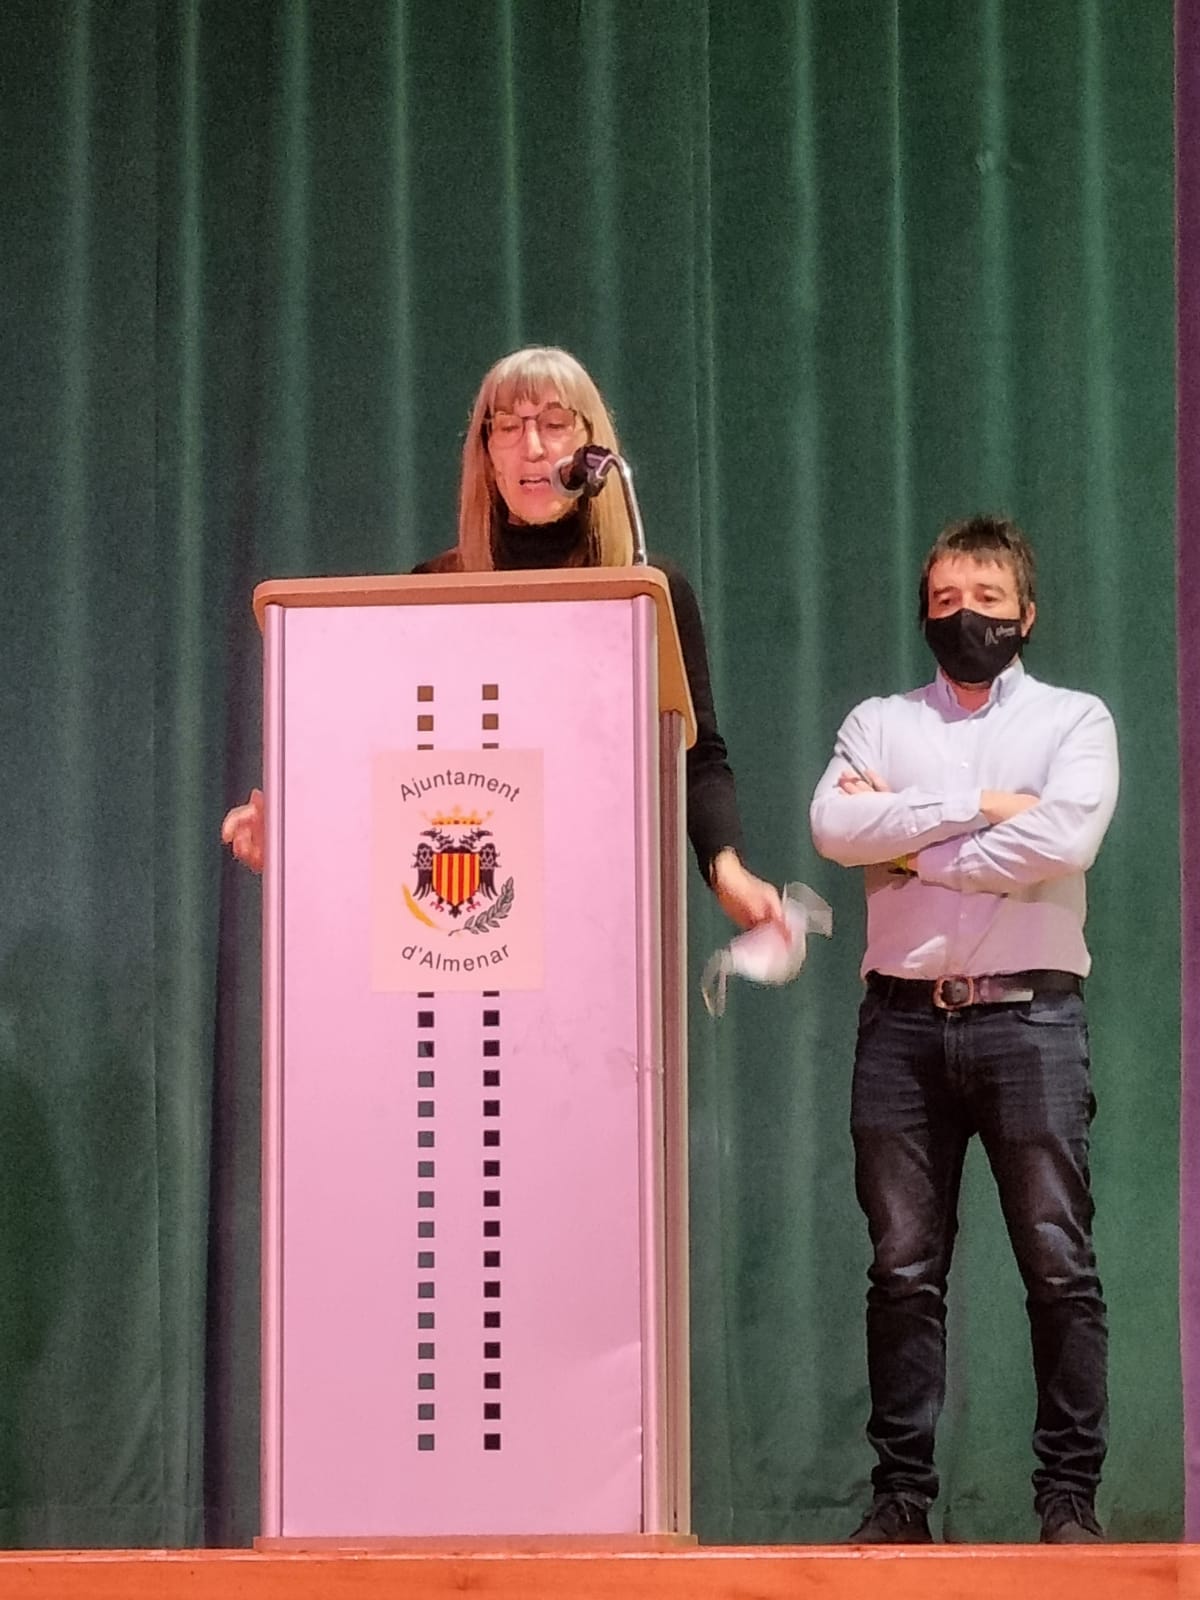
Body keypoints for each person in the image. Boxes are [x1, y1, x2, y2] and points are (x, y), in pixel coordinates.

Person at [223, 345, 781, 931]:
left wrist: (727, 871)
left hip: (601, 908)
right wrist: (294, 833)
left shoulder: (646, 591)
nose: (532, 446)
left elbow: (695, 754)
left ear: (591, 448)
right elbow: (382, 760)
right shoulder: (437, 589)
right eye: (509, 427)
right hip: (463, 908)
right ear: (487, 455)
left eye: (554, 423)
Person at [809, 515, 1118, 1546]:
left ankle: (1067, 1499)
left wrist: (910, 844)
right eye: (944, 600)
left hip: (1033, 1020)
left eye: (987, 599)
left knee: (1058, 1263)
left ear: (1026, 613)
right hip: (901, 1025)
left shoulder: (1075, 720)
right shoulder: (878, 721)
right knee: (902, 1270)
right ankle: (901, 1499)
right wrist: (983, 804)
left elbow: (1064, 838)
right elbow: (833, 827)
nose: (965, 616)